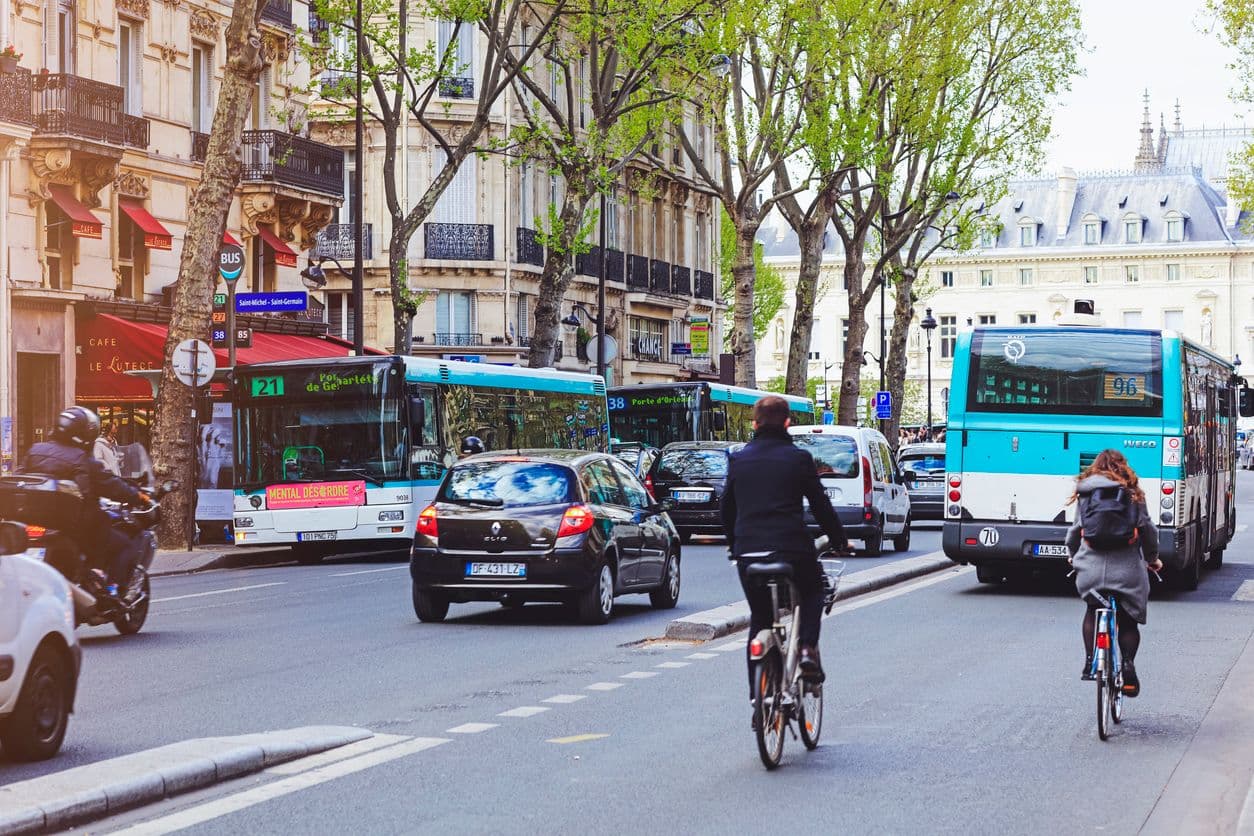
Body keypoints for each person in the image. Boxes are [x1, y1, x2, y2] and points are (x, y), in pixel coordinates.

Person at [721, 395, 852, 695]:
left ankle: (758, 699)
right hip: (792, 548)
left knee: (760, 617)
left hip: (748, 551)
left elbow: (726, 509)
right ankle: (806, 649)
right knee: (812, 590)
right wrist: (839, 540)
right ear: (788, 423)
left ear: (754, 424)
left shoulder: (739, 459)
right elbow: (820, 505)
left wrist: (733, 544)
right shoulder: (798, 458)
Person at [20, 406, 149, 605]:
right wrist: (138, 496)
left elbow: (21, 477)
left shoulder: (34, 451)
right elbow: (111, 484)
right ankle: (108, 589)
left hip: (33, 521)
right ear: (83, 433)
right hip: (75, 525)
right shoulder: (82, 459)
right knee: (124, 544)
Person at [1065, 449, 1162, 697]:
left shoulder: (1086, 492)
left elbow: (1076, 531)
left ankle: (1090, 662)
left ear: (1096, 467)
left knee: (1091, 608)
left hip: (1091, 570)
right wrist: (1153, 559)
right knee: (1128, 620)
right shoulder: (1133, 493)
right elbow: (1147, 530)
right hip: (1127, 570)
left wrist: (1072, 555)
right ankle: (1128, 664)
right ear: (1123, 467)